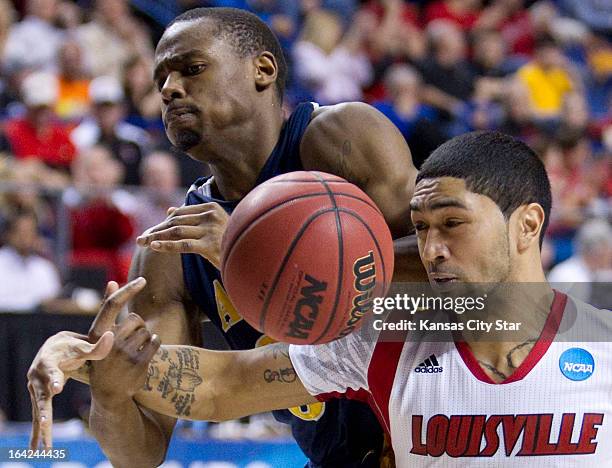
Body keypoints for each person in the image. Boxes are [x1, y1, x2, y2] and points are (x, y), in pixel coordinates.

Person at [32, 131, 612, 465]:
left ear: (528, 225)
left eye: (452, 224)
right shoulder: (391, 332)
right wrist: (88, 356)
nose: (431, 248)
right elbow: (224, 384)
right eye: (421, 226)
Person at [28, 7, 423, 468]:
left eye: (191, 69)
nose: (170, 88)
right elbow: (143, 451)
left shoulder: (338, 139)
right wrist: (109, 389)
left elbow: (473, 285)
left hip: (447, 435)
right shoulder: (172, 249)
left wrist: (257, 252)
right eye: (161, 81)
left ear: (262, 70)